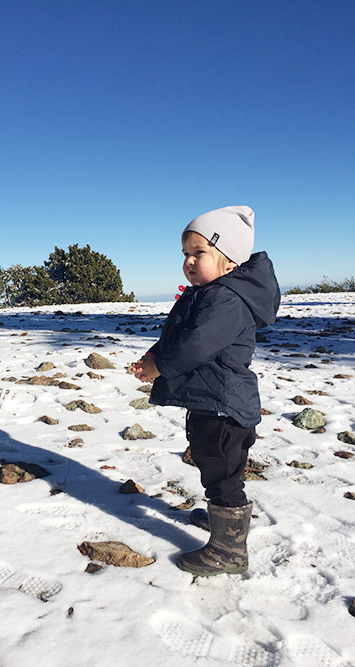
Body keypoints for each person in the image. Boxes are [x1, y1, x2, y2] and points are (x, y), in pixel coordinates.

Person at [131, 205, 280, 576]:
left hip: (223, 407)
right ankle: (223, 523)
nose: (189, 262)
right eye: (185, 254)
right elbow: (181, 336)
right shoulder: (212, 293)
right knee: (216, 469)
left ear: (229, 260)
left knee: (223, 475)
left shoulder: (225, 300)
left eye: (199, 253)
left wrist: (160, 367)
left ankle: (229, 551)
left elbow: (197, 345)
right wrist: (154, 356)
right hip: (213, 401)